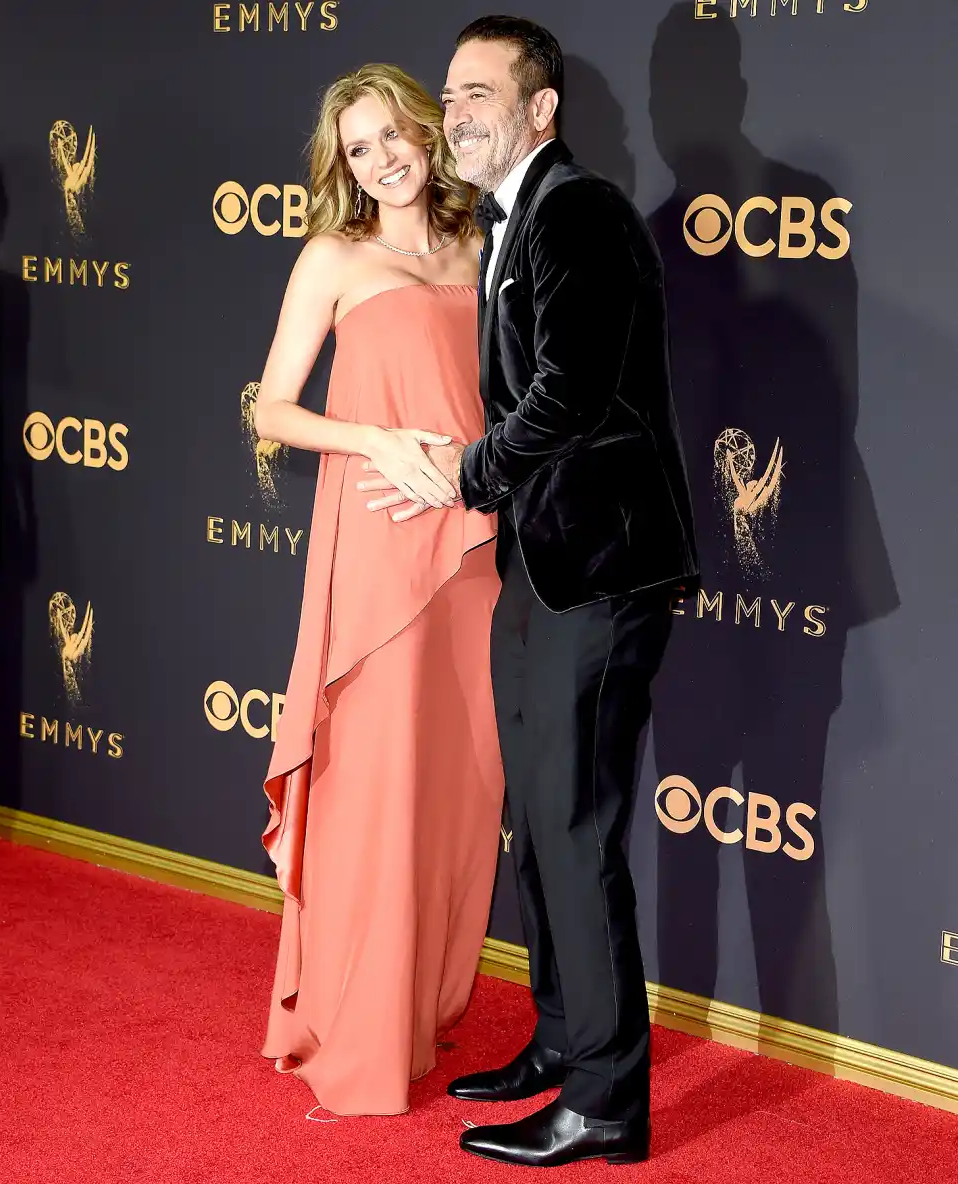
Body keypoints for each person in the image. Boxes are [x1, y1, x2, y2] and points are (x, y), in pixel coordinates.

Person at [359, 16, 699, 1167]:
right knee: (539, 830)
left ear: (541, 108)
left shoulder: (581, 210)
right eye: (446, 95)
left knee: (574, 825)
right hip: (540, 563)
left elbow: (568, 390)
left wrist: (462, 474)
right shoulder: (514, 219)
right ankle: (561, 1042)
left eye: (475, 91)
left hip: (599, 568)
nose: (452, 111)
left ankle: (606, 1097)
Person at [254, 62, 504, 1117]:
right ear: (341, 165)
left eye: (395, 133)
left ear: (428, 130)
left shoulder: (484, 241)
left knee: (461, 784)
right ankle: (358, 1022)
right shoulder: (334, 257)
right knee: (380, 783)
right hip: (381, 543)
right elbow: (271, 409)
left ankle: (425, 1003)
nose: (384, 158)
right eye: (358, 148)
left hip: (481, 547)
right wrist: (371, 441)